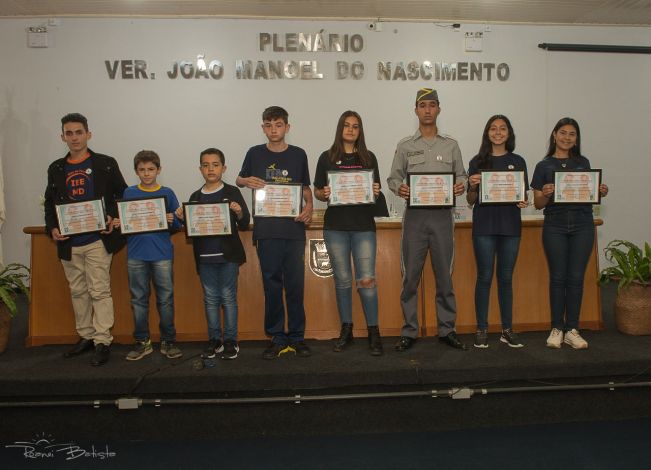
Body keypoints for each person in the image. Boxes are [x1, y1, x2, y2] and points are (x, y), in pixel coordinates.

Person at [387, 88, 468, 351]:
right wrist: (400, 188)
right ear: (416, 110)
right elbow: (393, 178)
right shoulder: (405, 145)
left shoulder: (451, 145)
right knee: (410, 277)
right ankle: (409, 331)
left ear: (439, 109)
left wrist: (460, 185)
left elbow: (462, 176)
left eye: (432, 105)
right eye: (423, 106)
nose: (427, 110)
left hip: (443, 217)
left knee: (445, 276)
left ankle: (447, 329)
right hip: (415, 219)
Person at [43, 113, 127, 366]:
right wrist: (52, 228)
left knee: (99, 290)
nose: (74, 137)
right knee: (78, 291)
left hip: (98, 240)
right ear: (62, 137)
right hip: (69, 242)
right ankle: (86, 336)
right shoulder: (56, 168)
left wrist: (113, 217)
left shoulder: (105, 164)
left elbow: (122, 195)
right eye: (69, 133)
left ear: (88, 134)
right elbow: (49, 203)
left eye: (79, 132)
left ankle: (102, 340)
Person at [236, 106, 314, 360]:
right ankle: (277, 337)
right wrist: (247, 181)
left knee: (295, 286)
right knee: (271, 286)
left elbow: (305, 188)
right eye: (268, 125)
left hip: (293, 230)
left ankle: (297, 337)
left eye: (278, 125)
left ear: (287, 127)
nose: (273, 130)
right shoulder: (254, 153)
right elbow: (238, 179)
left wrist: (310, 206)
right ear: (263, 128)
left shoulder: (299, 154)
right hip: (266, 230)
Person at [531, 117, 609, 349]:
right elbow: (538, 204)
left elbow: (587, 193)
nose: (567, 137)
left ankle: (572, 329)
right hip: (554, 225)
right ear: (554, 135)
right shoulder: (543, 166)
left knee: (576, 278)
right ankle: (557, 328)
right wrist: (545, 194)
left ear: (576, 139)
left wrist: (599, 190)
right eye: (563, 132)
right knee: (557, 278)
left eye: (572, 134)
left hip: (582, 224)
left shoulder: (583, 162)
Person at [313, 110, 383, 356]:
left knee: (367, 280)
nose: (351, 130)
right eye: (346, 125)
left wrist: (375, 190)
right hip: (335, 228)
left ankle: (374, 332)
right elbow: (317, 190)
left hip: (363, 227)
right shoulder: (327, 157)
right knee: (342, 281)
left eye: (355, 126)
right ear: (340, 129)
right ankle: (347, 330)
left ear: (360, 130)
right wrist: (323, 193)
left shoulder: (369, 157)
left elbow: (375, 191)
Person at [176, 148, 250, 360]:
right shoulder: (195, 197)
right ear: (200, 169)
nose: (210, 169)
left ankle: (230, 340)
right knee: (210, 299)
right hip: (204, 257)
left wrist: (239, 212)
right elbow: (192, 229)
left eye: (215, 165)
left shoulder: (232, 192)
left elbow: (244, 223)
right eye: (206, 165)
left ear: (223, 168)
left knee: (228, 298)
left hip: (228, 256)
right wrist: (182, 218)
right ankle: (214, 340)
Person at [113, 150, 183, 361]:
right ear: (136, 171)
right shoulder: (129, 193)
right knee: (138, 300)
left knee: (166, 300)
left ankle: (168, 341)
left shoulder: (168, 193)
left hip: (162, 254)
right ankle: (142, 341)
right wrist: (119, 223)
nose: (146, 173)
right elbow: (124, 222)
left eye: (151, 169)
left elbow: (178, 223)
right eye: (142, 169)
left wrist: (173, 219)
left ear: (159, 170)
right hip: (136, 254)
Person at [466, 115, 529, 349]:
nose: (498, 132)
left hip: (510, 226)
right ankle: (481, 328)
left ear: (509, 133)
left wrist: (523, 200)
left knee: (506, 279)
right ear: (487, 133)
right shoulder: (477, 161)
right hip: (484, 226)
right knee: (484, 277)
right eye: (493, 128)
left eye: (503, 128)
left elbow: (523, 195)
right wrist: (473, 186)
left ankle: (507, 329)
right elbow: (470, 199)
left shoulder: (518, 161)